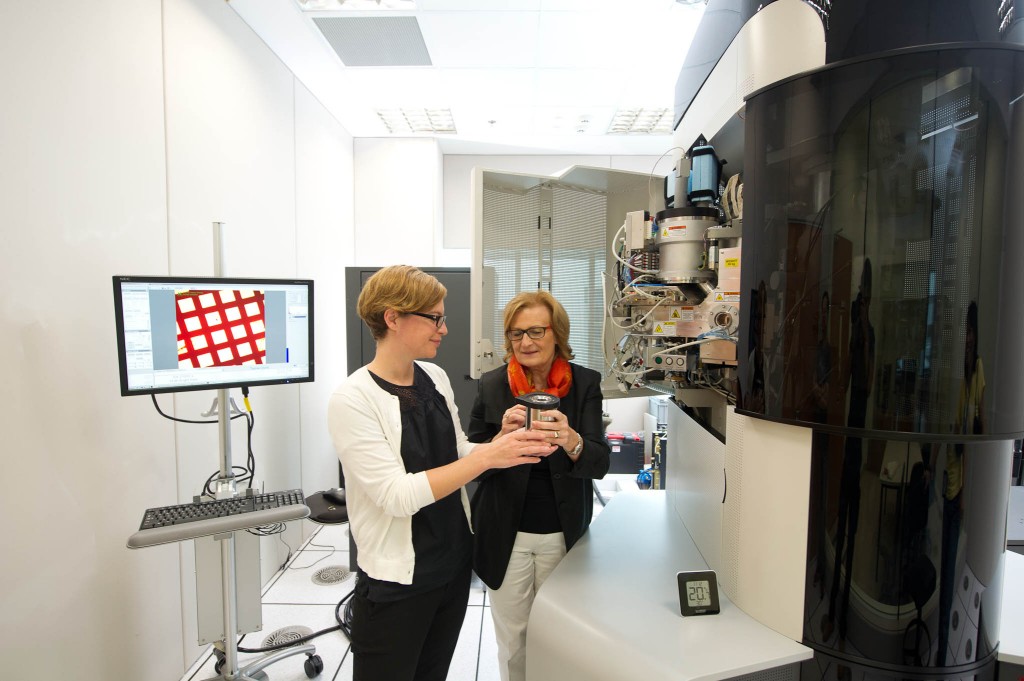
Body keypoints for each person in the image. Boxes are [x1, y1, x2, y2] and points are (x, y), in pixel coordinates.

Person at [326, 266, 556, 681]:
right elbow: (396, 495)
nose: (444, 329)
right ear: (393, 318)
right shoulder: (352, 399)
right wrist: (487, 458)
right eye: (435, 318)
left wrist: (498, 443)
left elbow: (457, 450)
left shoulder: (434, 376)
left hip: (451, 565)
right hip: (397, 580)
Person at [467, 290, 610, 681]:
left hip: (562, 532)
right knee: (513, 640)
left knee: (558, 636)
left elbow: (600, 462)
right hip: (506, 534)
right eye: (516, 334)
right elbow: (473, 465)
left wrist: (571, 440)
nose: (525, 342)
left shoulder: (585, 384)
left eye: (535, 331)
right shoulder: (494, 385)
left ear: (556, 333)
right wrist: (499, 440)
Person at [937, 300, 984, 665]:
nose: (965, 340)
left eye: (970, 333)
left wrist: (968, 489)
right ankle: (940, 639)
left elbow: (976, 434)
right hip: (947, 478)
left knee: (954, 563)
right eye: (962, 333)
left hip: (963, 487)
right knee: (943, 561)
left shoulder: (977, 374)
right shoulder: (955, 372)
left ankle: (944, 648)